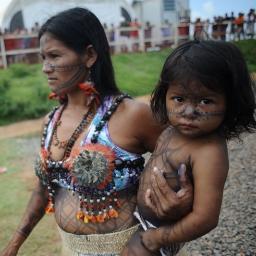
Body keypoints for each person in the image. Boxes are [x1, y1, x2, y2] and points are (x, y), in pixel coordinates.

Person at [0, 8, 193, 256]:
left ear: (90, 55)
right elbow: (43, 189)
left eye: (54, 56)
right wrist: (14, 244)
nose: (45, 68)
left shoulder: (131, 115)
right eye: (43, 58)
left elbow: (186, 159)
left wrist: (181, 203)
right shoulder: (50, 122)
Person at [121, 40, 256, 255]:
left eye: (205, 101)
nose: (189, 111)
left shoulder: (209, 151)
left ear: (231, 102)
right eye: (179, 99)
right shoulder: (170, 130)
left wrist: (156, 239)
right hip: (139, 219)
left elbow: (206, 218)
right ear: (165, 95)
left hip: (159, 234)